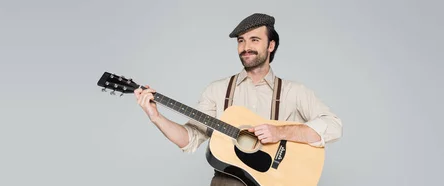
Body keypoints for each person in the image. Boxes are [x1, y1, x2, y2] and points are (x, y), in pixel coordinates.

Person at [134, 13, 343, 186]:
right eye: (241, 41)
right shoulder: (217, 90)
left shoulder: (294, 91)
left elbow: (333, 126)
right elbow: (190, 139)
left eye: (254, 40)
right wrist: (156, 117)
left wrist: (280, 131)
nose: (245, 47)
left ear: (271, 45)